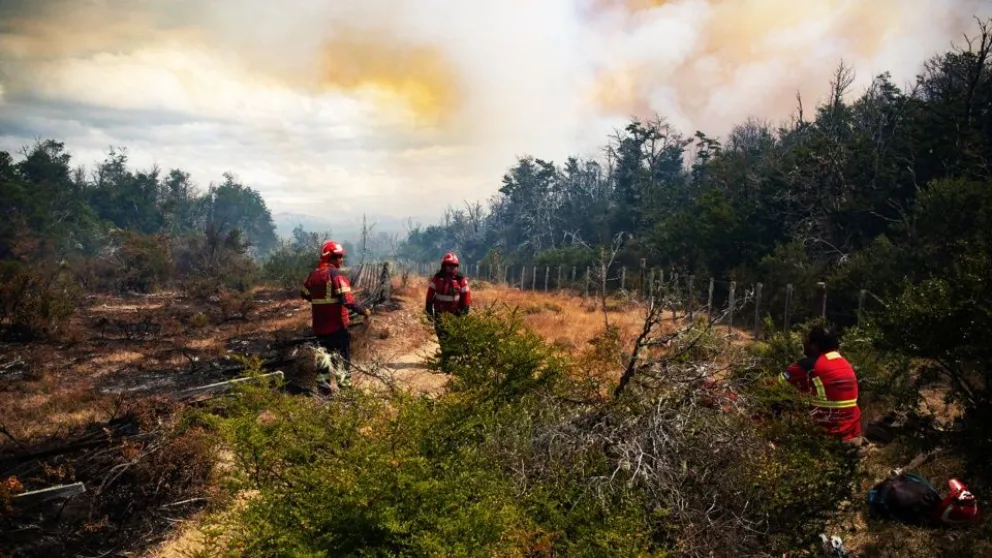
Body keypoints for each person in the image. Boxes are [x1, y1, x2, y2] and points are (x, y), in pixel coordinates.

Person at [301, 240, 370, 391]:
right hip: (337, 329)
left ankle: (324, 394)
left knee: (323, 362)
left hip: (319, 329)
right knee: (341, 362)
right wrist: (364, 311)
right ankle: (346, 396)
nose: (341, 259)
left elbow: (305, 294)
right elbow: (348, 301)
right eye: (338, 256)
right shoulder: (337, 275)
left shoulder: (313, 275)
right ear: (329, 257)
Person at [780, 324, 862, 441]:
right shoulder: (845, 363)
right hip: (852, 432)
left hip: (826, 434)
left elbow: (776, 384)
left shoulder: (809, 365)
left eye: (807, 341)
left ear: (815, 345)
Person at [425, 252, 471, 369]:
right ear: (444, 265)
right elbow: (430, 292)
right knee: (442, 335)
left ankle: (454, 360)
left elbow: (466, 294)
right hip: (440, 312)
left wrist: (465, 308)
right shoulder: (438, 277)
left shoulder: (461, 279)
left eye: (454, 266)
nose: (452, 268)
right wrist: (428, 307)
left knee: (453, 336)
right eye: (449, 265)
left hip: (455, 313)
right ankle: (446, 359)